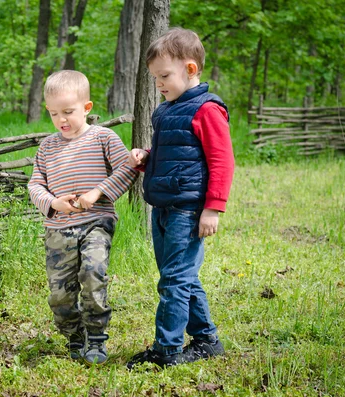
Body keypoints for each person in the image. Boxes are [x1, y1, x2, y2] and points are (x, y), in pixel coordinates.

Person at [126, 27, 235, 369]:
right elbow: (171, 156)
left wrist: (213, 209)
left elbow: (222, 161)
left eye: (164, 76)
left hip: (188, 211)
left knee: (173, 280)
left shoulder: (207, 110)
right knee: (180, 276)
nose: (158, 84)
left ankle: (167, 350)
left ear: (190, 69)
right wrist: (146, 159)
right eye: (155, 77)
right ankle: (206, 340)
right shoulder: (165, 111)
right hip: (162, 208)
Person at [28, 70, 138, 365]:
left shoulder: (104, 138)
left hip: (95, 222)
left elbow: (127, 169)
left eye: (68, 112)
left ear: (87, 108)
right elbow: (35, 185)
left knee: (92, 274)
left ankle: (97, 339)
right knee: (60, 294)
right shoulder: (47, 147)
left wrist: (97, 193)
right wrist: (53, 203)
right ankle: (74, 337)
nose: (61, 120)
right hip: (58, 228)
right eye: (53, 114)